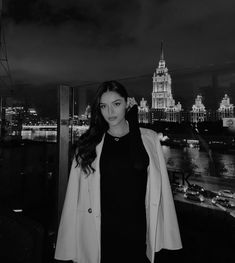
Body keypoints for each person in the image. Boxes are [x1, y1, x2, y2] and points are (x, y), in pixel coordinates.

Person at [54, 80, 182, 263]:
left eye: (116, 104)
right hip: (100, 232)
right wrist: (67, 247)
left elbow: (144, 168)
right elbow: (73, 198)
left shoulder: (149, 139)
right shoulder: (89, 144)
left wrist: (134, 120)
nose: (110, 112)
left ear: (127, 104)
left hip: (137, 231)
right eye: (104, 106)